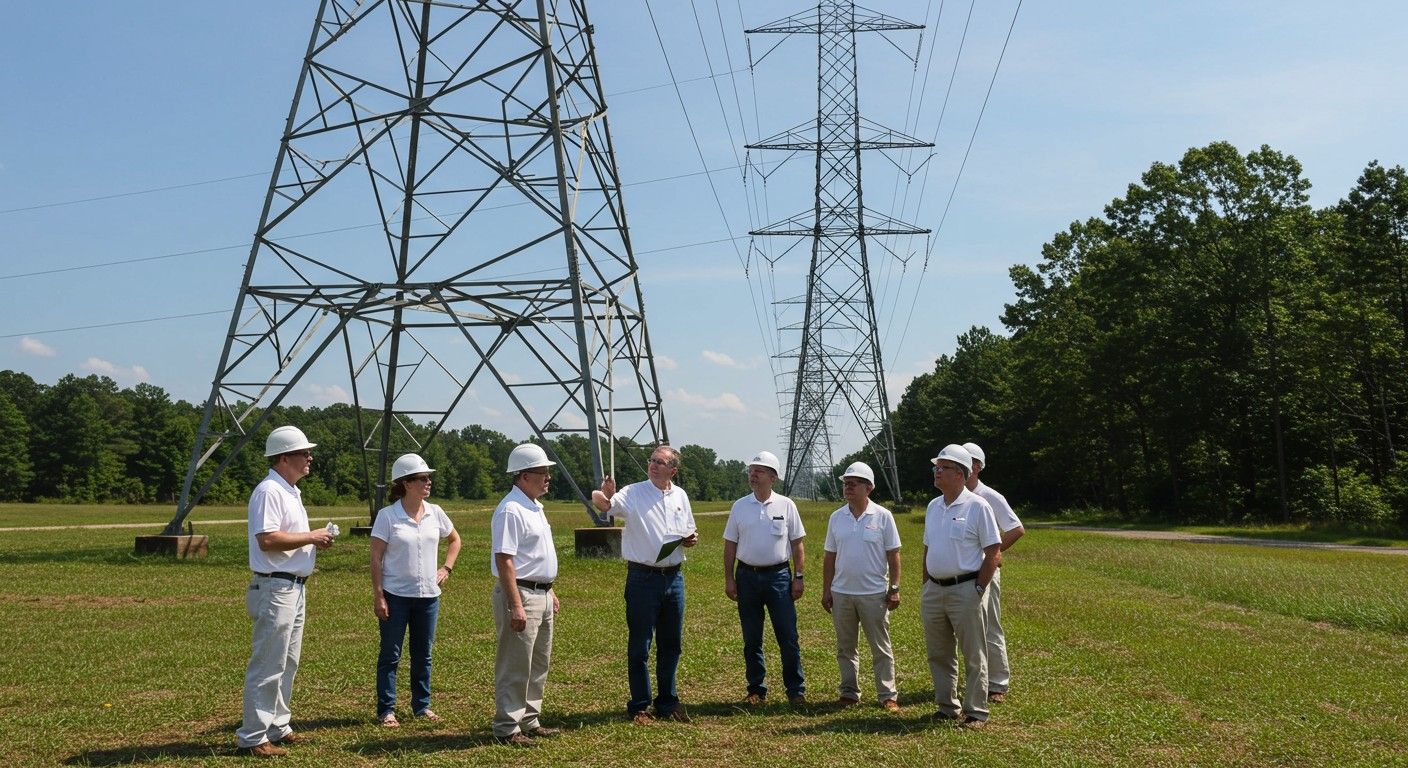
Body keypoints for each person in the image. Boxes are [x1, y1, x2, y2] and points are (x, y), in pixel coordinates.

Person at [236, 426, 335, 758]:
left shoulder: (290, 491)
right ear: (283, 457)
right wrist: (312, 537)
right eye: (303, 453)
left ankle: (278, 725)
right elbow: (268, 539)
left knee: (287, 661)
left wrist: (313, 538)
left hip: (292, 587)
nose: (310, 458)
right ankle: (253, 736)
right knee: (268, 662)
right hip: (276, 585)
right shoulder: (269, 491)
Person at [592, 445, 698, 725]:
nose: (653, 465)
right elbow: (605, 505)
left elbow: (689, 529)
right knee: (641, 644)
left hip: (674, 578)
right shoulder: (634, 491)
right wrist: (606, 494)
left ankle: (668, 702)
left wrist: (690, 538)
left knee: (671, 644)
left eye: (660, 462)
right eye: (651, 460)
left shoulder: (681, 496)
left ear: (672, 470)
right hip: (642, 578)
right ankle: (639, 706)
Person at [370, 453, 462, 727]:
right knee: (391, 654)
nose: (428, 482)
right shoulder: (388, 516)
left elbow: (455, 540)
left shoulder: (436, 512)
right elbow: (375, 558)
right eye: (422, 478)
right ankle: (386, 710)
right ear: (406, 483)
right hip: (395, 597)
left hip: (428, 597)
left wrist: (446, 568)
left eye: (428, 477)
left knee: (424, 654)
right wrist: (379, 596)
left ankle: (421, 706)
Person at [921, 444, 1001, 729]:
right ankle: (946, 706)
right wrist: (926, 584)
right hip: (935, 590)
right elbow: (928, 548)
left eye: (942, 468)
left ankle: (976, 711)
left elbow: (993, 552)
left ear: (961, 474)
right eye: (936, 468)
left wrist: (978, 588)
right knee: (939, 652)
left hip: (966, 589)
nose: (936, 472)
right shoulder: (933, 506)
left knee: (973, 652)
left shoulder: (978, 506)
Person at [491, 444, 564, 746]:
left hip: (540, 595)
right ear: (523, 476)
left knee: (538, 662)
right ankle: (507, 727)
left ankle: (529, 719)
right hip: (521, 595)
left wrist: (550, 590)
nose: (548, 477)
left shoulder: (534, 506)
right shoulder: (511, 509)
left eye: (548, 472)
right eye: (542, 472)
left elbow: (533, 556)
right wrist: (516, 605)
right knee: (516, 662)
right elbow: (505, 559)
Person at [722, 450, 806, 706]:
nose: (753, 475)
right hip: (747, 576)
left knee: (788, 636)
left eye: (758, 471)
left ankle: (795, 691)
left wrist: (799, 577)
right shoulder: (740, 506)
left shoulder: (786, 505)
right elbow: (729, 546)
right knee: (752, 638)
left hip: (779, 577)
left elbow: (798, 544)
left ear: (773, 477)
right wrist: (729, 578)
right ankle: (756, 689)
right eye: (751, 471)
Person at [821, 461, 902, 712]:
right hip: (842, 593)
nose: (848, 487)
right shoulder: (837, 517)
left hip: (874, 594)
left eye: (853, 483)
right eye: (846, 483)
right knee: (845, 647)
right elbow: (830, 557)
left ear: (869, 487)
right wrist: (827, 590)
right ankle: (849, 693)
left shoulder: (883, 516)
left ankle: (887, 695)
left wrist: (895, 588)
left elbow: (894, 555)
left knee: (881, 648)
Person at [962, 442, 1025, 704]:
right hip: (964, 575)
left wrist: (994, 555)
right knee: (969, 628)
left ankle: (998, 683)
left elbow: (1016, 528)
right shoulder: (956, 497)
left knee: (990, 626)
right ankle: (976, 680)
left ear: (977, 466)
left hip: (986, 572)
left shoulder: (990, 496)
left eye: (967, 462)